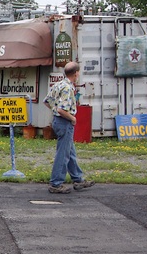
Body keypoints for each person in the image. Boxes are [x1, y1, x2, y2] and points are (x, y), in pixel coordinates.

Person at [44, 61, 95, 194]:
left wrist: (54, 110)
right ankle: (56, 183)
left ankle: (78, 179)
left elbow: (47, 101)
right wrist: (72, 118)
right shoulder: (67, 88)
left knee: (70, 151)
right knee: (63, 154)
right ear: (76, 73)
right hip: (64, 122)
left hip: (57, 121)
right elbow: (62, 109)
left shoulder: (59, 84)